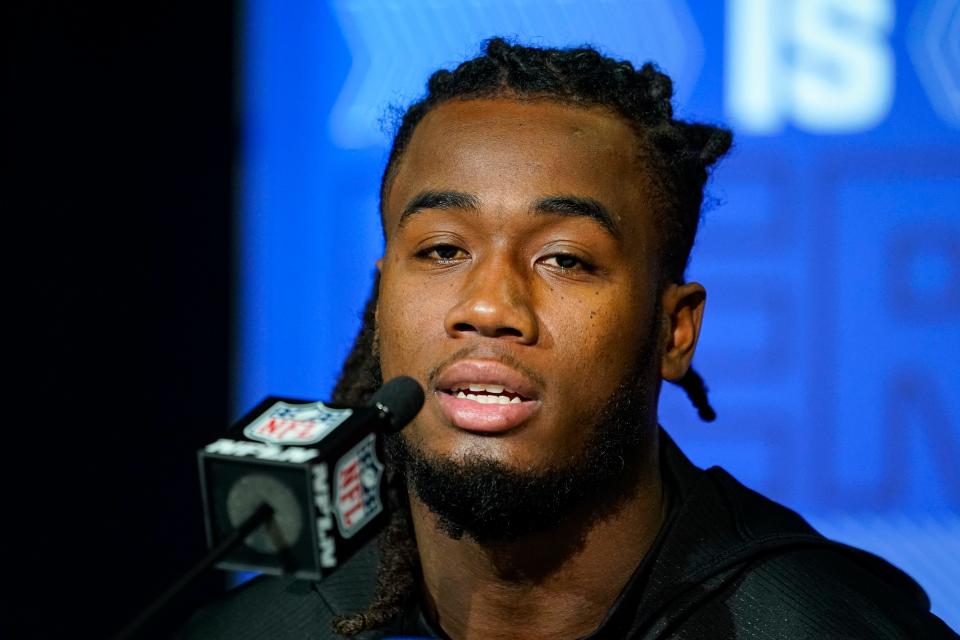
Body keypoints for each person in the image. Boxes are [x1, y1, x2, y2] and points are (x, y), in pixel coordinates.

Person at [182, 38, 958, 639]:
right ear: (382, 296)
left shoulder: (819, 626)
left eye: (564, 259)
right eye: (443, 250)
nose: (488, 306)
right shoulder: (260, 629)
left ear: (674, 330)